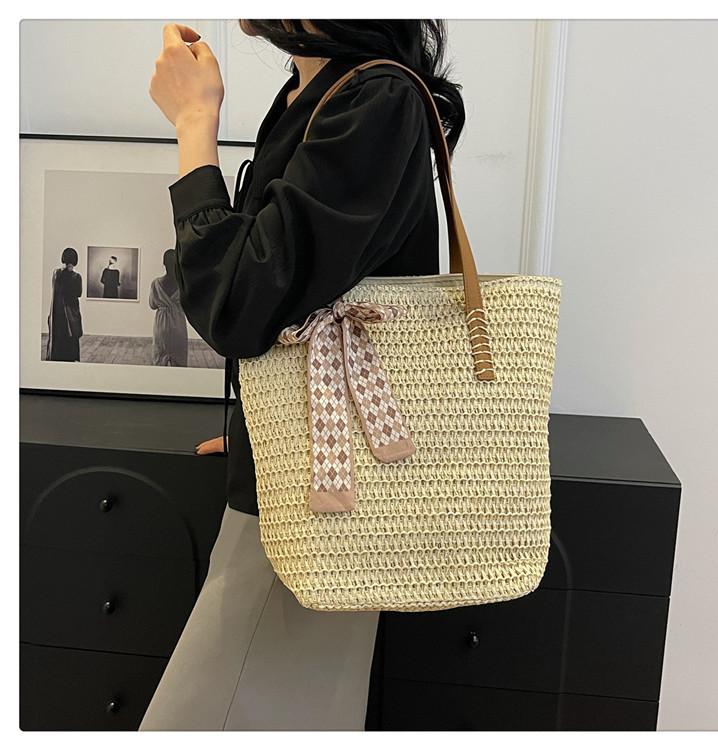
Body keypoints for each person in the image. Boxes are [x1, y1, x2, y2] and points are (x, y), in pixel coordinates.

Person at [140, 19, 465, 731]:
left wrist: (194, 123)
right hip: (311, 477)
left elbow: (236, 302)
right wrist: (263, 425)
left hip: (325, 501)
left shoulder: (376, 100)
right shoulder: (314, 92)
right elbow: (288, 297)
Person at [148, 248, 188, 366]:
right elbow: (188, 305)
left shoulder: (156, 283)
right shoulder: (183, 284)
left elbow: (152, 305)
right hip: (178, 325)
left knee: (159, 359)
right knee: (180, 360)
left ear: (164, 263)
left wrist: (164, 304)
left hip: (161, 326)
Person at [46, 246, 83, 361]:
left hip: (58, 313)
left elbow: (57, 291)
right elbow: (79, 293)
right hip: (71, 313)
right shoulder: (77, 277)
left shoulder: (56, 274)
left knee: (59, 338)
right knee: (71, 338)